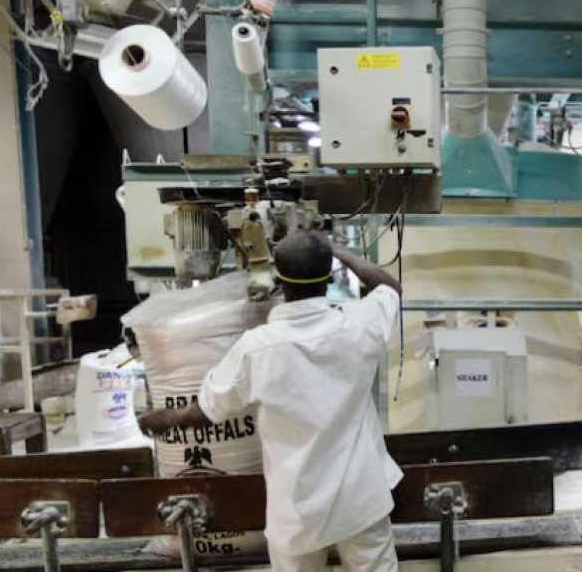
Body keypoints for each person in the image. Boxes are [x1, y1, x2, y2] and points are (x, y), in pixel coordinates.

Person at [139, 229, 404, 572]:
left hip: (296, 508)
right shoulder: (358, 324)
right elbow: (390, 289)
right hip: (360, 500)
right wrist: (345, 254)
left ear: (278, 279)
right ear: (329, 276)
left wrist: (166, 419)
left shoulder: (257, 348)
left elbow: (207, 410)